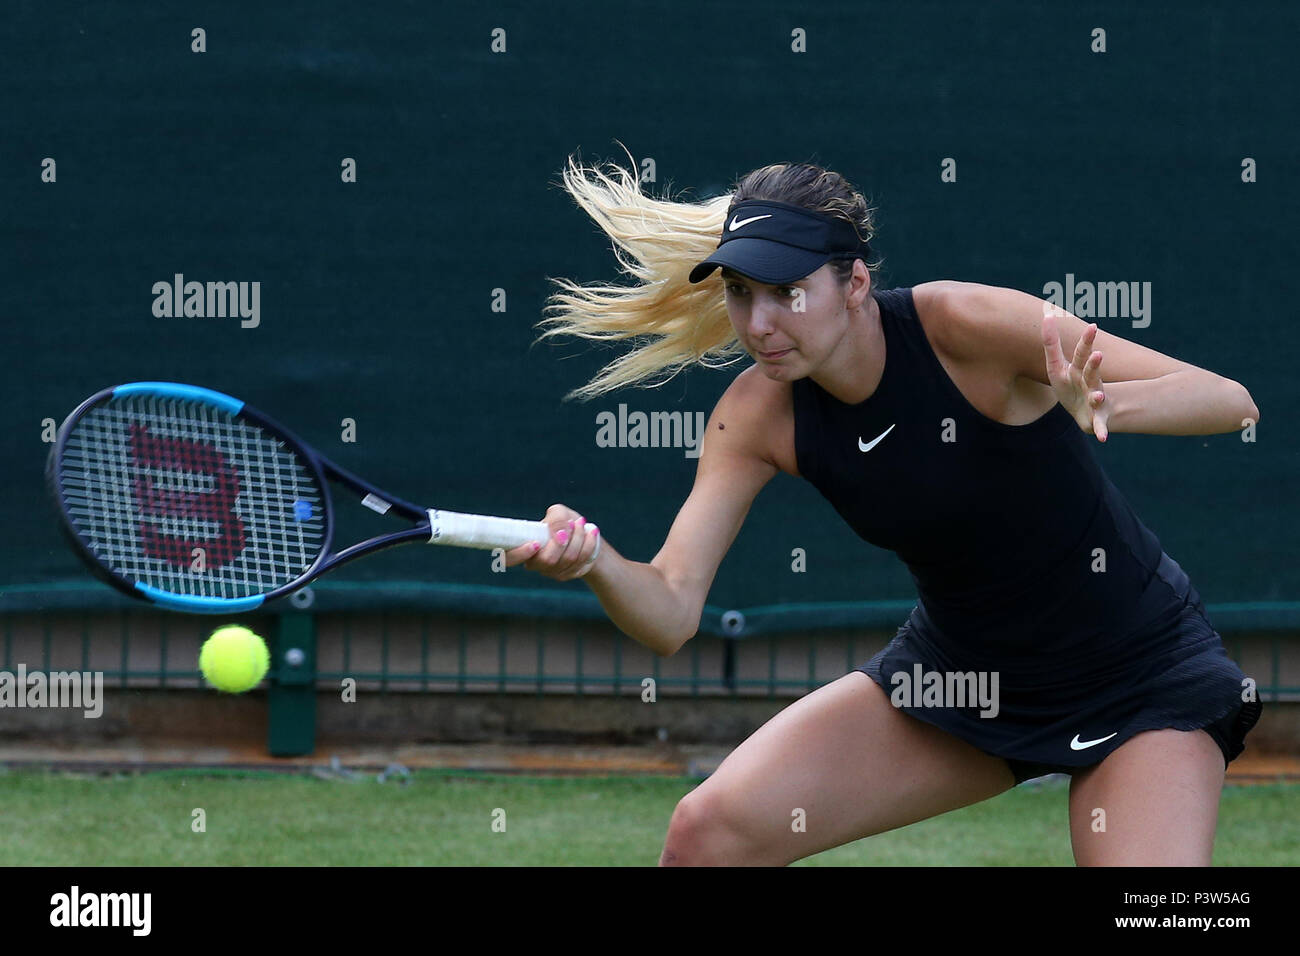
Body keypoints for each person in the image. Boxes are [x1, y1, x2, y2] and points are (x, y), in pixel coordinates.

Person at [505, 155, 1263, 866]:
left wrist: (1101, 405)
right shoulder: (757, 417)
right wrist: (597, 561)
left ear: (856, 284)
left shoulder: (965, 325)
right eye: (741, 293)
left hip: (1139, 673)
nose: (759, 323)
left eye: (787, 292)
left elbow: (1230, 401)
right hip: (960, 680)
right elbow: (670, 610)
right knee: (707, 836)